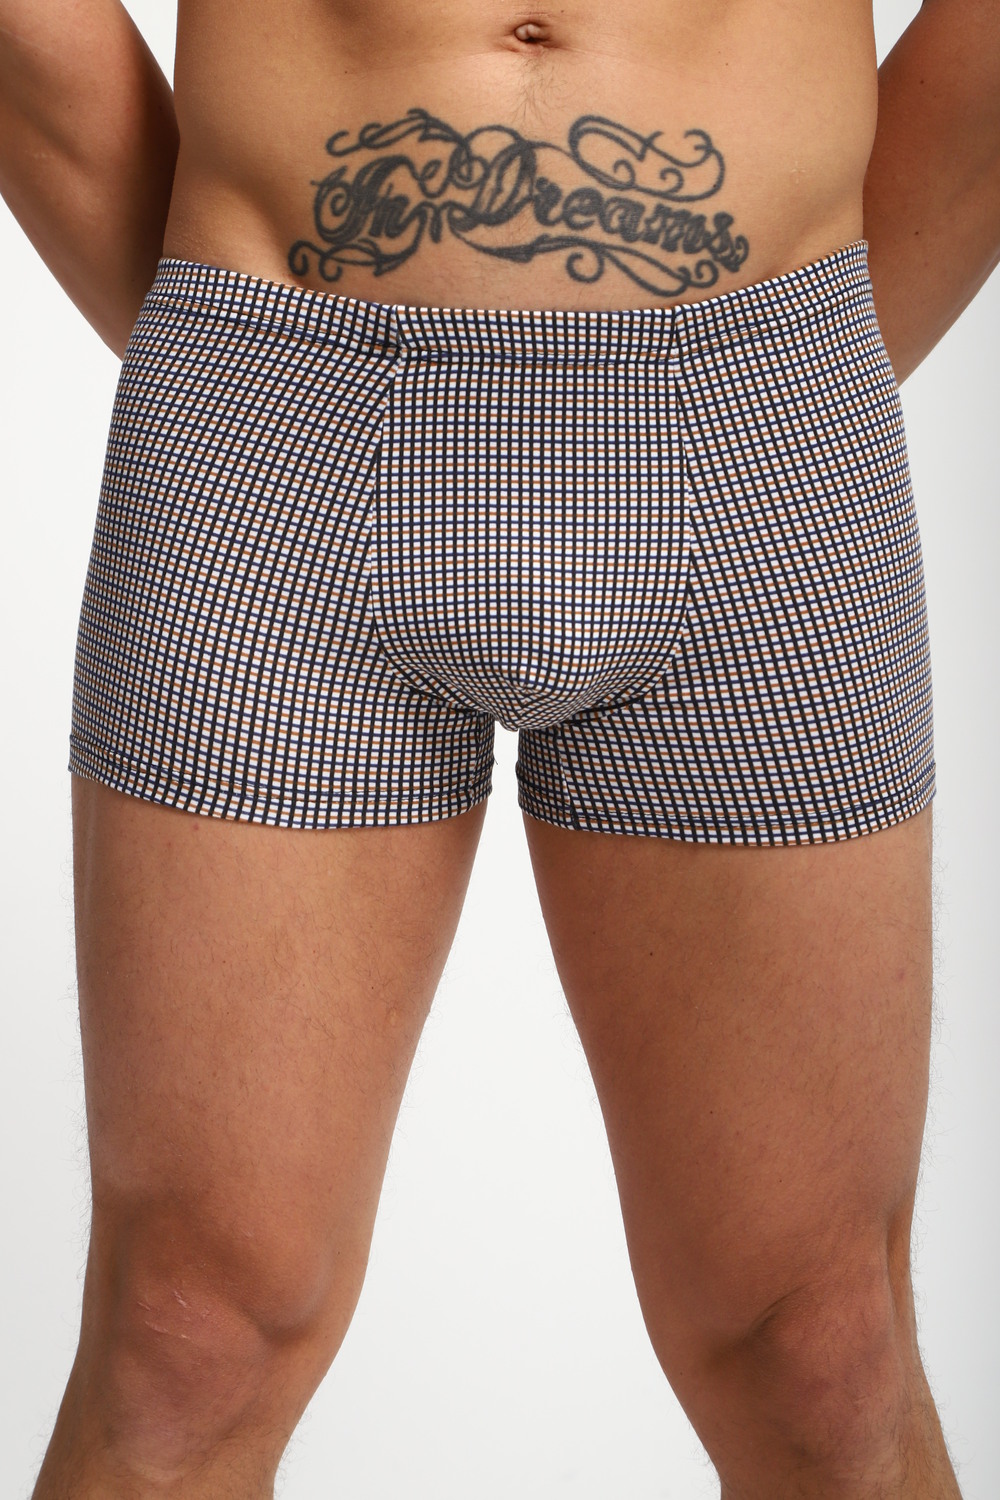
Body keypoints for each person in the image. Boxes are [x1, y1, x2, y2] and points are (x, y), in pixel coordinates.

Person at [0, 1, 997, 1496]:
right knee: (186, 1337)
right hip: (274, 418)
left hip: (756, 415)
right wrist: (237, 358)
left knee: (823, 1353)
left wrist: (789, 365)